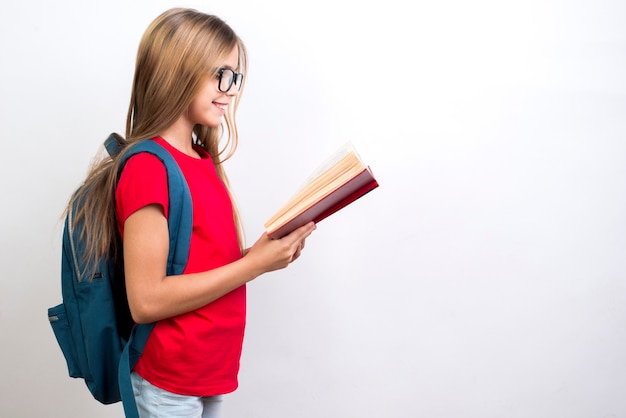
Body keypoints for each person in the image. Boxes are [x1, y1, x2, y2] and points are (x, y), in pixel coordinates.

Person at [68, 7, 315, 417]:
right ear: (178, 71)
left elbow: (202, 264)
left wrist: (264, 255)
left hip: (206, 374)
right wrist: (252, 266)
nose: (231, 89)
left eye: (235, 77)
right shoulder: (149, 166)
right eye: (222, 74)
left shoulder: (201, 159)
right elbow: (146, 301)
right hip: (169, 383)